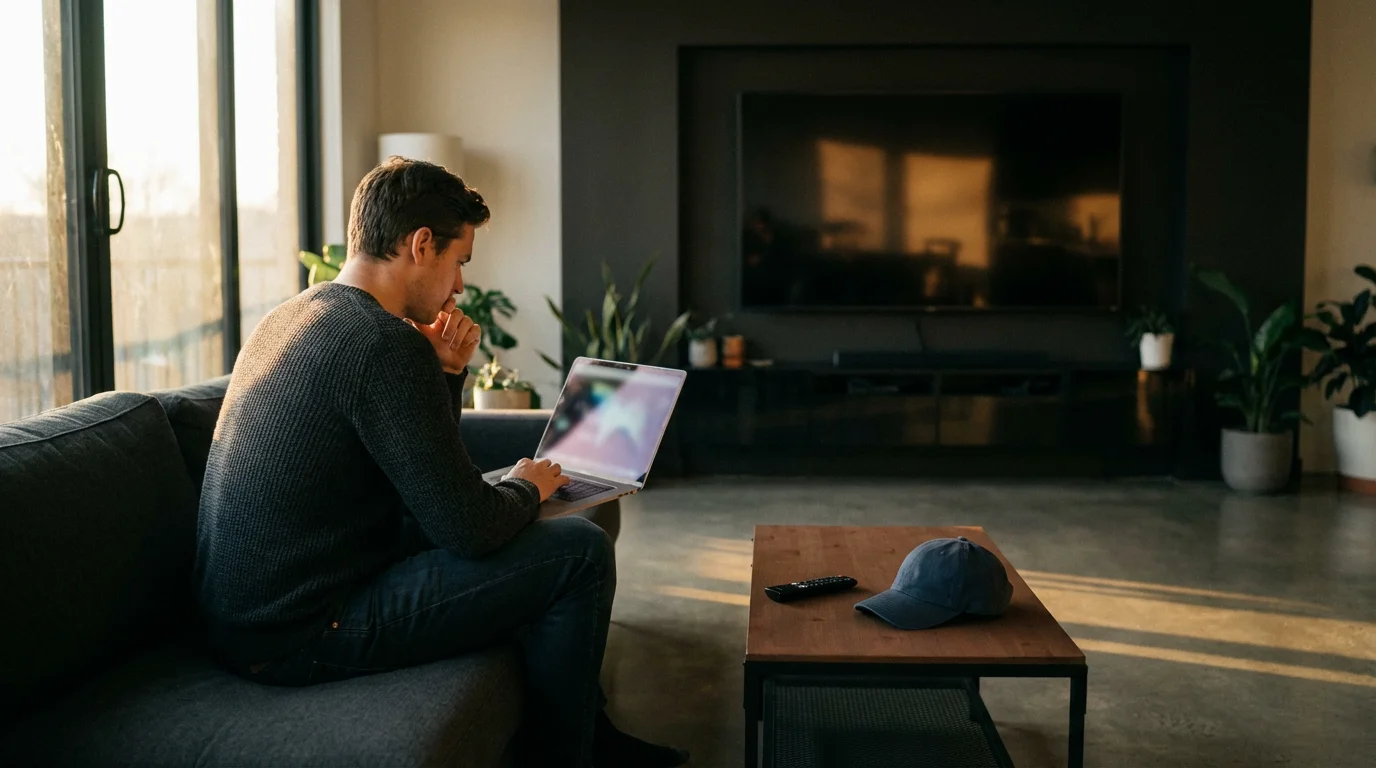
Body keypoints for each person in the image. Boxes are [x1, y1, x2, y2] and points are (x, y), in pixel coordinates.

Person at [195, 157, 689, 767]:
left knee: (507, 494)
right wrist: (529, 493)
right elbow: (467, 528)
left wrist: (447, 375)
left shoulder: (296, 316)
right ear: (421, 245)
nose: (458, 287)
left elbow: (426, 477)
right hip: (299, 632)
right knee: (578, 553)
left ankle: (594, 732)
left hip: (252, 618)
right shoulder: (381, 342)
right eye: (459, 262)